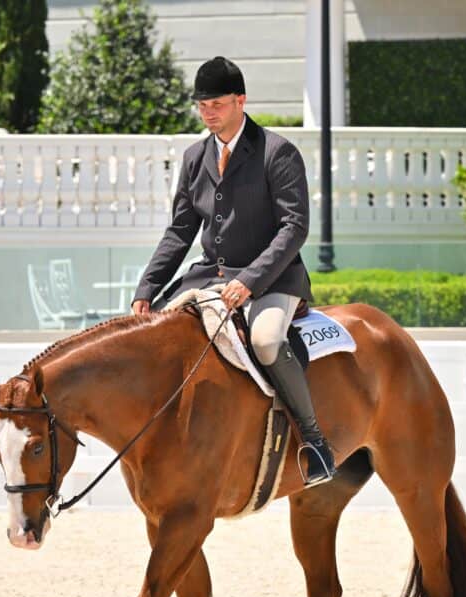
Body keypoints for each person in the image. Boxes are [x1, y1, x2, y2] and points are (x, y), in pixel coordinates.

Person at [131, 56, 336, 487]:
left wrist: (249, 281)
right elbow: (181, 231)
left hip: (272, 279)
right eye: (202, 105)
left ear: (241, 101)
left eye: (217, 104)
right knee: (158, 334)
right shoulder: (194, 158)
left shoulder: (277, 152)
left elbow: (294, 227)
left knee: (264, 341)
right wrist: (146, 289)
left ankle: (315, 442)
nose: (208, 112)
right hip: (210, 276)